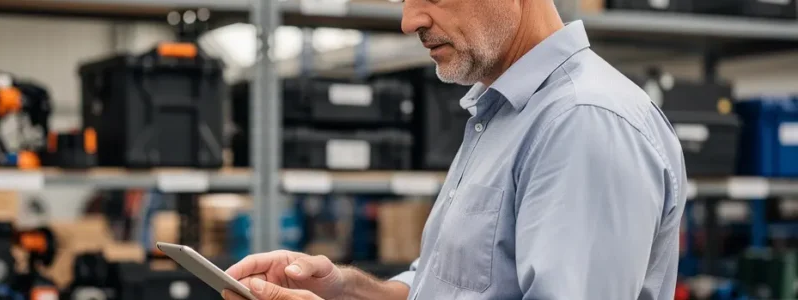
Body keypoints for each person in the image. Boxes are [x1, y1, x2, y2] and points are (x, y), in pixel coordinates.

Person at [222, 0, 688, 298]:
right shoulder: (501, 113)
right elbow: (448, 286)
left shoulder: (583, 121)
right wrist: (343, 290)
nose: (410, 21)